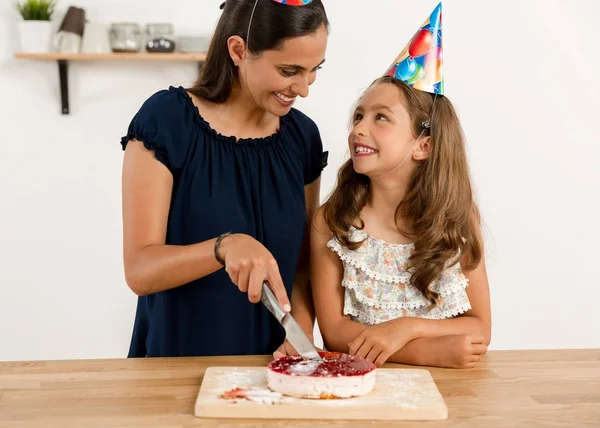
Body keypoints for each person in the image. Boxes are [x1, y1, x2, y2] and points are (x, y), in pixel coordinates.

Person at [119, 0, 329, 358]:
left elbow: (302, 267)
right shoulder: (167, 122)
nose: (304, 88)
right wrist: (223, 247)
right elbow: (140, 270)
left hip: (273, 365)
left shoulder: (302, 138)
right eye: (289, 70)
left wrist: (301, 331)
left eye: (313, 70)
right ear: (238, 49)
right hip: (180, 363)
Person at [311, 5, 492, 369]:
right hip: (362, 387)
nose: (359, 128)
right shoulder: (332, 222)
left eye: (381, 118)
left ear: (423, 145)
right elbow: (333, 332)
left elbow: (480, 329)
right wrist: (424, 352)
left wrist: (403, 328)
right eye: (359, 116)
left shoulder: (458, 220)